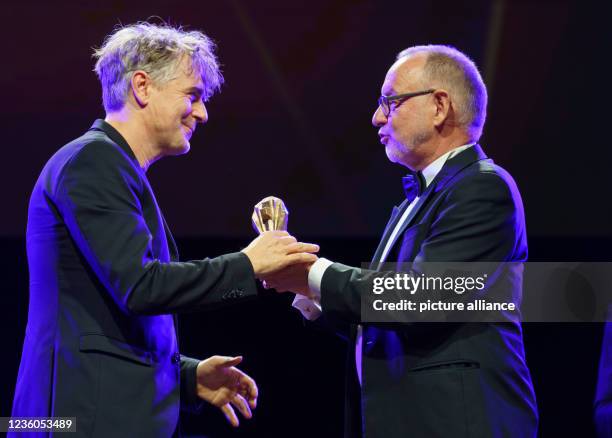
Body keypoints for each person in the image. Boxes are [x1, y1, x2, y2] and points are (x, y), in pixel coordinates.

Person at [11, 23, 318, 437]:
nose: (202, 112)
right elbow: (140, 287)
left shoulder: (113, 166)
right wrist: (249, 264)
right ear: (142, 87)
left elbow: (109, 317)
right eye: (192, 95)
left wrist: (186, 377)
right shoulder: (93, 162)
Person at [271, 45, 539, 437]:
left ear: (439, 106)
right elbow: (391, 316)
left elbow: (420, 298)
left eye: (390, 102)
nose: (377, 116)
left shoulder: (482, 187)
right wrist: (311, 293)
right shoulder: (418, 200)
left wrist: (314, 272)